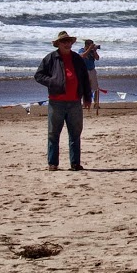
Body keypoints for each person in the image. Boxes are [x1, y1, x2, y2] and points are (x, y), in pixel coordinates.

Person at [34, 31, 93, 171]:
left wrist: (87, 97)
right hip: (56, 102)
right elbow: (38, 75)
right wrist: (52, 82)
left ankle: (75, 163)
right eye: (64, 41)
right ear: (58, 44)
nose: (67, 44)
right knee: (53, 134)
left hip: (75, 102)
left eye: (69, 41)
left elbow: (85, 79)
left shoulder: (77, 58)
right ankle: (53, 163)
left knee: (75, 134)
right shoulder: (51, 58)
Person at [82, 39, 102, 113]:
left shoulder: (92, 51)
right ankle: (85, 103)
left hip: (92, 70)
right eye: (91, 45)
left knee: (95, 88)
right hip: (85, 71)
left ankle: (96, 103)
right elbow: (82, 56)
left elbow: (97, 58)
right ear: (87, 45)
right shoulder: (81, 50)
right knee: (85, 88)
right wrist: (89, 49)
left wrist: (94, 51)